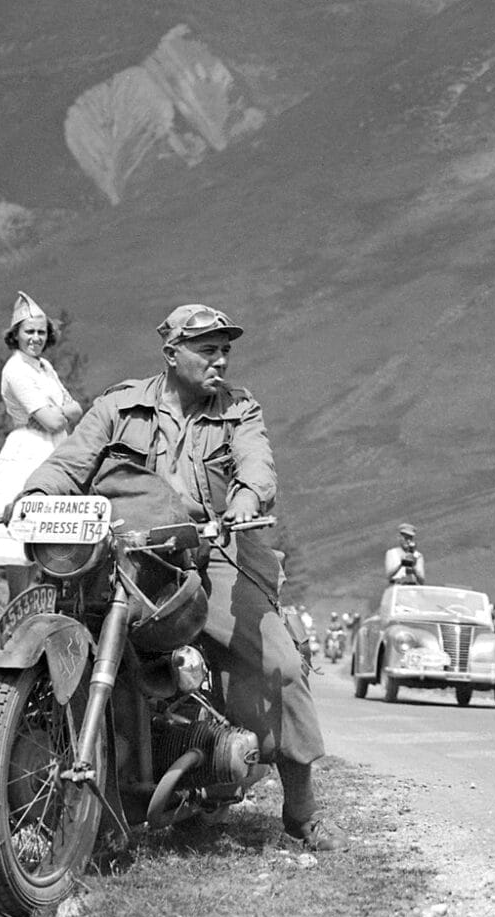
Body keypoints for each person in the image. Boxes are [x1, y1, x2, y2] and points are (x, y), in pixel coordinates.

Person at [17, 302, 344, 850]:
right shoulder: (119, 406)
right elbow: (70, 462)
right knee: (46, 635)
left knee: (280, 666)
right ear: (172, 354)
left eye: (225, 350)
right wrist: (34, 494)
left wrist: (246, 498)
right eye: (207, 350)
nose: (220, 360)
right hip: (125, 548)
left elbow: (256, 463)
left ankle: (301, 809)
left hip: (209, 552)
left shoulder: (238, 409)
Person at [0, 292, 85, 598]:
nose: (36, 338)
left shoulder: (44, 367)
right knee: (21, 525)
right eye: (29, 332)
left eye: (41, 332)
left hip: (56, 448)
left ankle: (41, 602)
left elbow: (75, 409)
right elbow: (52, 420)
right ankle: (17, 602)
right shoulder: (15, 369)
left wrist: (59, 413)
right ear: (16, 335)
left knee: (48, 527)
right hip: (28, 448)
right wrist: (58, 414)